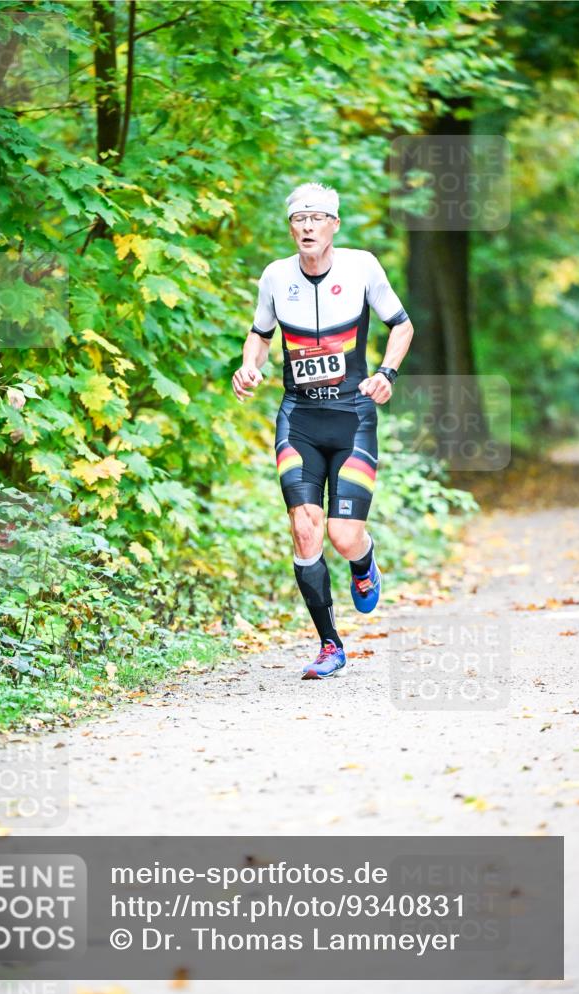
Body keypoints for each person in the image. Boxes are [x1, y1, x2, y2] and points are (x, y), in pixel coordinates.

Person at [232, 182, 414, 679]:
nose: (307, 226)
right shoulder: (275, 277)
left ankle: (364, 560)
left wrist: (386, 374)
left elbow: (402, 325)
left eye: (317, 218)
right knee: (305, 527)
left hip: (354, 416)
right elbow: (260, 335)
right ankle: (330, 644)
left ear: (333, 224)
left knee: (342, 534)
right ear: (290, 227)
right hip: (300, 419)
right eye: (298, 219)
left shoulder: (362, 268)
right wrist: (250, 367)